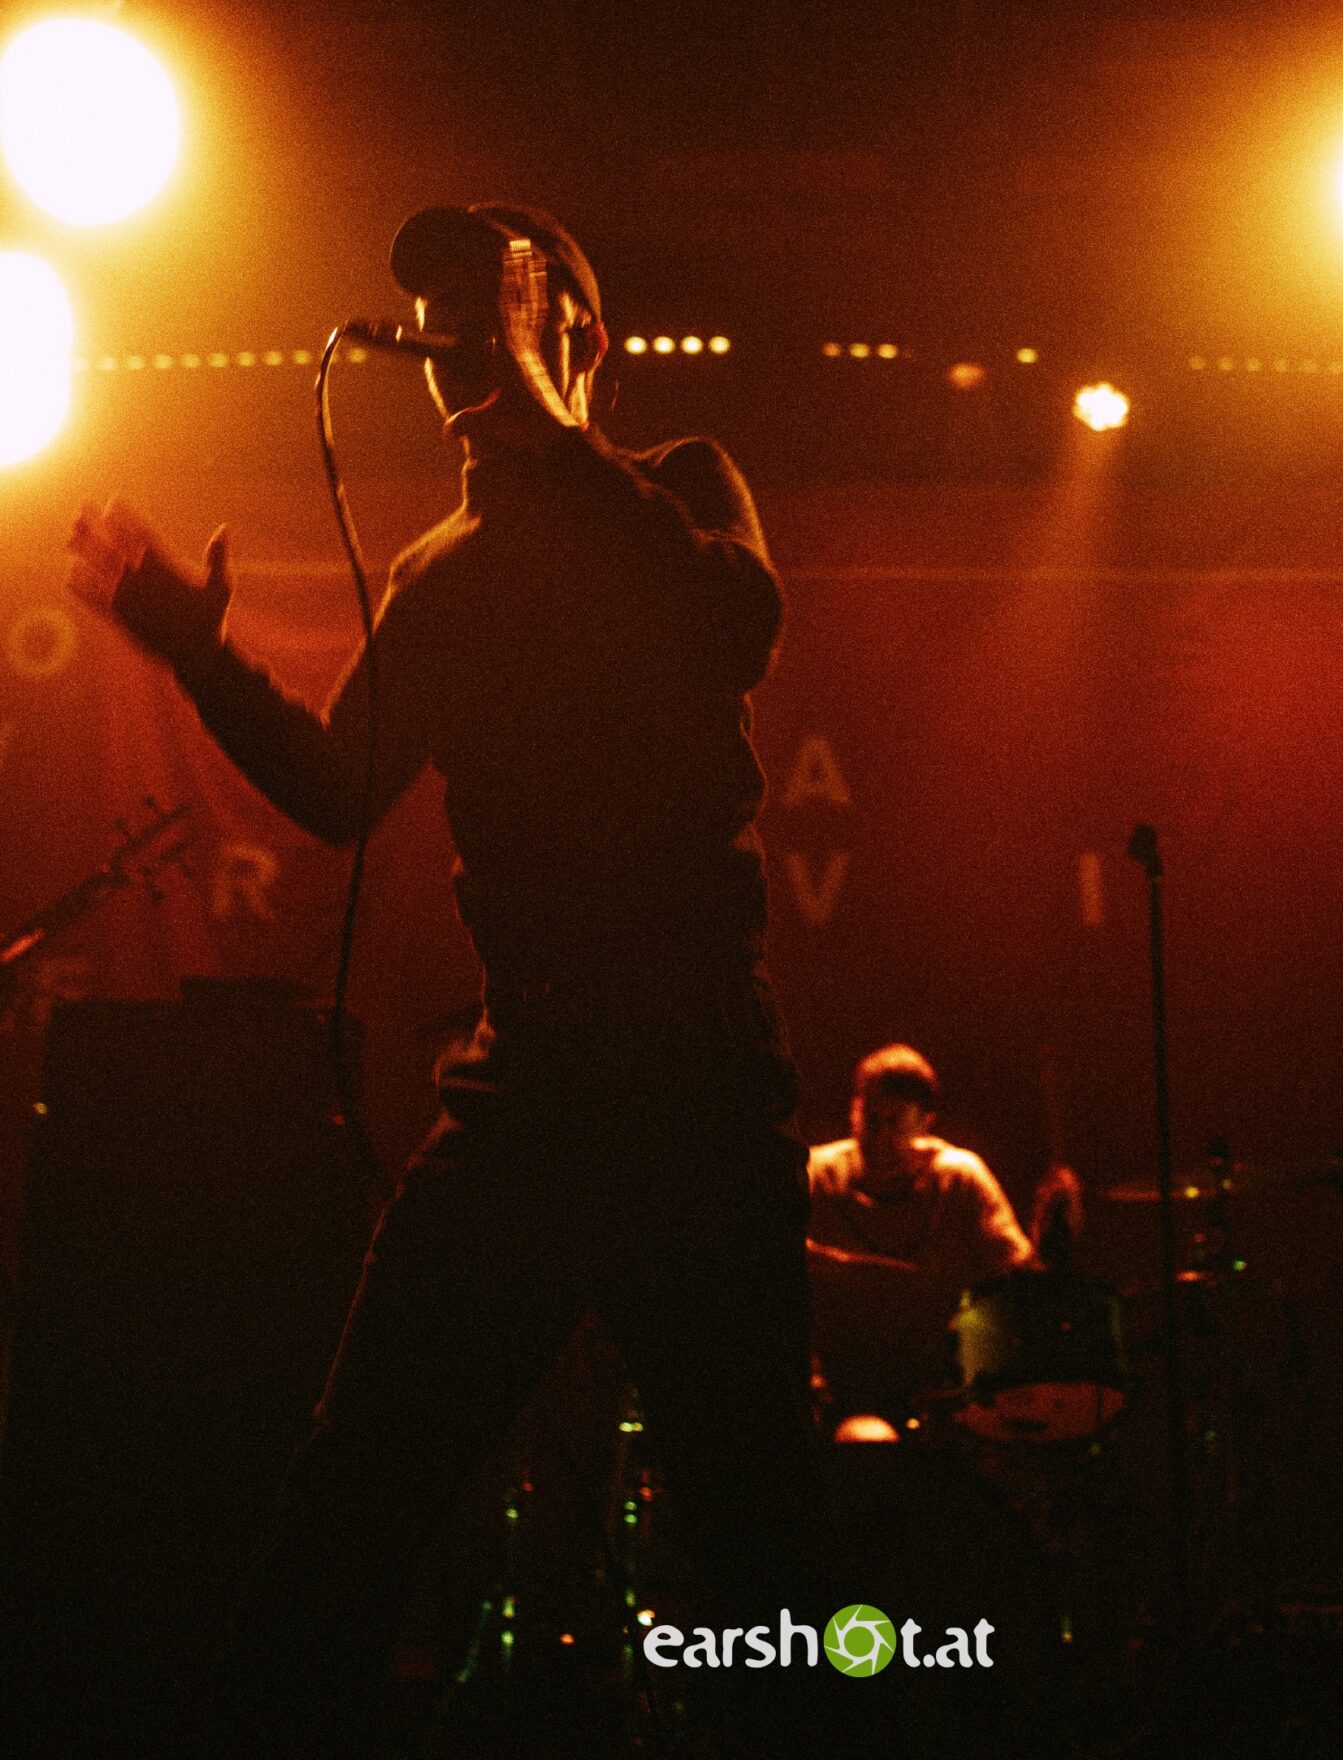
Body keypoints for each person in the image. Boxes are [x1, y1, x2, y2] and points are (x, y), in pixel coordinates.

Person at [67, 203, 817, 1757]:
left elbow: (733, 625)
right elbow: (341, 788)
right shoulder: (439, 570)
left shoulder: (679, 487)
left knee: (756, 1529)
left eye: (498, 304)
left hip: (689, 1071)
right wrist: (195, 650)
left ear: (576, 338)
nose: (456, 334)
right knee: (351, 1496)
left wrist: (555, 443)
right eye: (441, 314)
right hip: (526, 1090)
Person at [805, 1042, 1036, 1426]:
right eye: (870, 1120)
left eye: (895, 1123)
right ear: (853, 1110)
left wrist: (1051, 1237)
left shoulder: (960, 1179)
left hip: (942, 1387)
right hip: (837, 1383)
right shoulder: (816, 1175)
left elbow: (1018, 1275)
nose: (880, 1138)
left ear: (925, 1123)